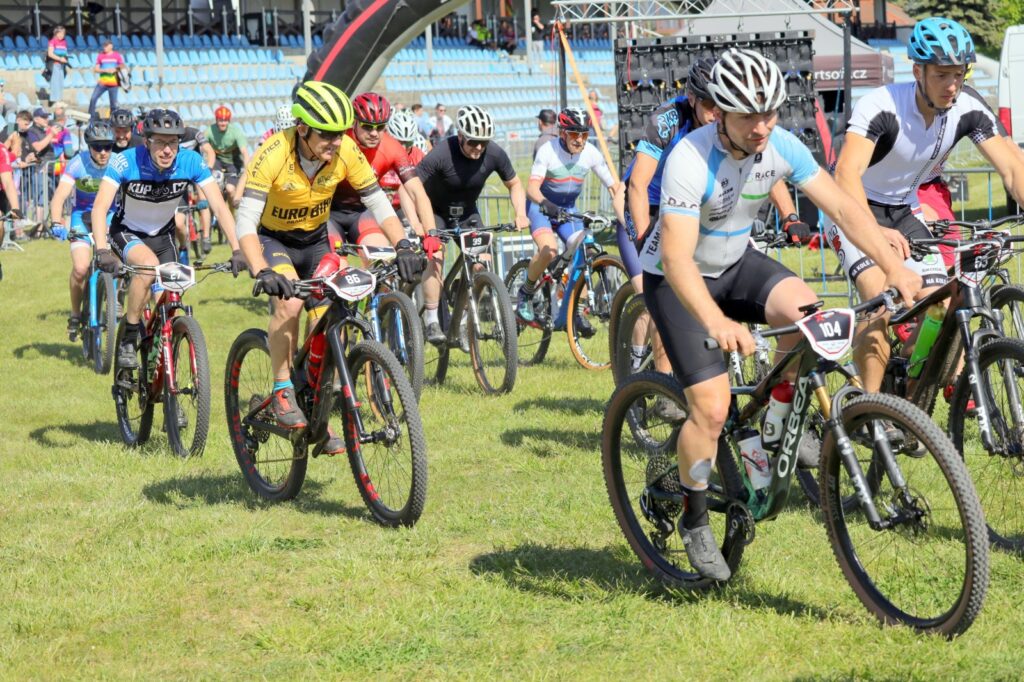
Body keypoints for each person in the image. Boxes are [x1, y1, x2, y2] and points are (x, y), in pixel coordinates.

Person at [640, 48, 922, 580]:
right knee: (712, 409)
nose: (762, 126)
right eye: (749, 115)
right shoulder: (688, 159)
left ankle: (775, 423)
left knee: (809, 320)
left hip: (735, 262)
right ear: (720, 113)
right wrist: (717, 322)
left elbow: (843, 209)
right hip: (679, 279)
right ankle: (695, 517)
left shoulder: (780, 145)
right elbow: (675, 259)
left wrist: (893, 269)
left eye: (770, 112)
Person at [831, 17, 1024, 395]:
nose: (951, 85)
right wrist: (874, 232)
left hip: (904, 209)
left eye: (959, 74)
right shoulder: (881, 106)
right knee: (879, 302)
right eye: (941, 75)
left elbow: (1013, 168)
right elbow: (846, 175)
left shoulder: (967, 107)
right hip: (853, 209)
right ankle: (870, 409)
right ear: (917, 71)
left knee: (942, 302)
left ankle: (910, 394)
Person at [232, 81, 419, 450]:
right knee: (290, 303)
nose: (336, 141)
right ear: (302, 128)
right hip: (275, 242)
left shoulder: (346, 149)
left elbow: (378, 202)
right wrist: (260, 269)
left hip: (316, 241)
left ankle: (314, 406)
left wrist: (402, 245)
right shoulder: (273, 153)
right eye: (327, 134)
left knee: (332, 314)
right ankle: (282, 388)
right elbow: (246, 220)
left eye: (339, 133)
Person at [622, 58, 809, 394]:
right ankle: (666, 385)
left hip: (704, 204)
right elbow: (637, 184)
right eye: (709, 104)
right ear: (692, 98)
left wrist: (790, 216)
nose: (715, 112)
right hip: (653, 203)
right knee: (666, 283)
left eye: (721, 104)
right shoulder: (668, 120)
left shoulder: (736, 131)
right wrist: (643, 237)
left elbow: (765, 168)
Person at [90, 109, 245, 369]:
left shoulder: (190, 161)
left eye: (173, 142)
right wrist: (102, 250)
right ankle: (128, 337)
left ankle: (164, 370)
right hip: (126, 232)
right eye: (160, 142)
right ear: (146, 141)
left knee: (170, 303)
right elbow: (99, 207)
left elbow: (219, 206)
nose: (167, 150)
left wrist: (237, 249)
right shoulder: (126, 161)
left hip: (163, 237)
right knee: (148, 267)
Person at [415, 105, 530, 343]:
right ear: (460, 136)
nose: (478, 148)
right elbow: (413, 184)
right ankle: (431, 320)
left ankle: (465, 318)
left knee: (481, 264)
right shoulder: (442, 152)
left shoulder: (494, 153)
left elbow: (515, 184)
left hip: (467, 213)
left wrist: (520, 213)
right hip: (436, 212)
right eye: (473, 142)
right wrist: (421, 223)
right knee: (436, 257)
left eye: (483, 143)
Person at [515, 107, 625, 333]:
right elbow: (532, 188)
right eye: (574, 134)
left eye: (584, 134)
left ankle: (577, 312)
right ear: (563, 133)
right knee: (549, 251)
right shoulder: (548, 150)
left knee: (588, 252)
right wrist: (546, 204)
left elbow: (613, 186)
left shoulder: (591, 152)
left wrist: (624, 214)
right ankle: (526, 292)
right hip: (542, 207)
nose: (580, 139)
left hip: (568, 211)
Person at [327, 92, 436, 273]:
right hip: (328, 213)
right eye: (367, 126)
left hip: (362, 213)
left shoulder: (392, 147)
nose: (374, 133)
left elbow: (418, 192)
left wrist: (431, 232)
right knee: (338, 271)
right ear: (354, 122)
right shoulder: (339, 142)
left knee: (382, 265)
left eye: (380, 127)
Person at [49, 121, 116, 339]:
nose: (103, 152)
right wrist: (57, 222)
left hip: (108, 216)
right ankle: (75, 314)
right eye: (97, 147)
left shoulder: (118, 163)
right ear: (89, 146)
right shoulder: (78, 163)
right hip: (82, 218)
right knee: (80, 268)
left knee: (118, 264)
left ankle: (116, 300)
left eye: (108, 146)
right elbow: (59, 197)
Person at [206, 105, 250, 207]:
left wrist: (247, 169)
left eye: (225, 120)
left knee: (230, 189)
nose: (223, 123)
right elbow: (203, 147)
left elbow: (244, 152)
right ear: (216, 120)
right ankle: (218, 211)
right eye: (220, 120)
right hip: (217, 160)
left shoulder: (235, 131)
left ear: (229, 121)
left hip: (233, 161)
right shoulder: (209, 131)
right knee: (216, 187)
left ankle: (232, 210)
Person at [25, 107, 61, 225]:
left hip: (50, 169)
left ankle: (49, 225)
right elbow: (38, 147)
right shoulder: (32, 131)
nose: (47, 119)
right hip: (40, 169)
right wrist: (51, 135)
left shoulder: (44, 131)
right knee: (40, 200)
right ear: (36, 119)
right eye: (44, 117)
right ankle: (39, 227)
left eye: (47, 117)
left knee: (52, 198)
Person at [89, 39, 126, 117]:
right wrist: (105, 70)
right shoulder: (100, 55)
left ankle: (113, 120)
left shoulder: (116, 55)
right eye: (104, 46)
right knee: (93, 98)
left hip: (114, 83)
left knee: (113, 105)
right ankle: (90, 118)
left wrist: (115, 69)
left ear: (111, 46)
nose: (104, 47)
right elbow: (96, 69)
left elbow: (122, 65)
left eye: (106, 46)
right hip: (102, 83)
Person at [46, 26, 69, 105]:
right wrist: (59, 59)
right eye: (60, 33)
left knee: (60, 82)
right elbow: (50, 54)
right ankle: (55, 100)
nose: (62, 35)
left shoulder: (64, 42)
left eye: (63, 33)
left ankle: (59, 99)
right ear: (56, 33)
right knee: (55, 82)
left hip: (62, 65)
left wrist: (65, 58)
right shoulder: (52, 41)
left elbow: (65, 52)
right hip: (54, 64)